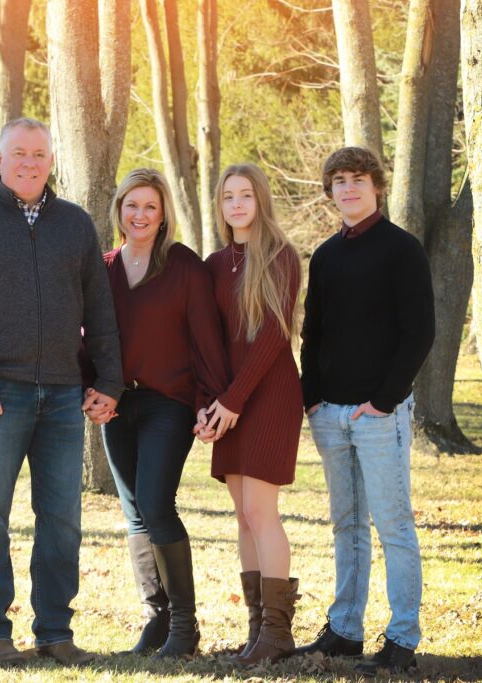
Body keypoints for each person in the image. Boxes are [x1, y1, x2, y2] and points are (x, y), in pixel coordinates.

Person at [0, 118, 124, 666]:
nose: (30, 162)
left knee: (61, 519)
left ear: (51, 161)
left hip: (62, 395)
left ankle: (55, 632)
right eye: (19, 153)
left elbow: (100, 310)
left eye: (39, 153)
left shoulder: (75, 224)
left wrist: (109, 381)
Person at [295, 146, 434, 676]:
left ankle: (401, 638)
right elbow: (313, 332)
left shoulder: (402, 249)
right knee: (346, 524)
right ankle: (345, 630)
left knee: (393, 525)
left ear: (376, 186)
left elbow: (419, 333)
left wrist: (384, 400)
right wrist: (311, 397)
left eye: (358, 178)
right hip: (330, 413)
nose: (349, 188)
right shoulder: (326, 255)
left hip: (380, 415)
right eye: (339, 181)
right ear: (330, 191)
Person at [97, 169, 230, 658]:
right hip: (118, 405)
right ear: (119, 210)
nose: (140, 214)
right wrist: (94, 388)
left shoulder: (184, 266)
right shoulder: (105, 268)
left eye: (150, 206)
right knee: (134, 512)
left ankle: (185, 628)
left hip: (168, 403)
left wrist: (209, 401)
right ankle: (157, 620)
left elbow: (205, 340)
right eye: (132, 205)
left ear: (163, 214)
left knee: (156, 505)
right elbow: (91, 337)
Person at [197, 163, 304, 665]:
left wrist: (234, 401)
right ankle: (257, 630)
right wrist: (208, 404)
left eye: (245, 195)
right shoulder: (214, 264)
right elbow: (208, 342)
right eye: (228, 197)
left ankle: (278, 635)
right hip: (228, 401)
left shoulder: (281, 256)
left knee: (261, 512)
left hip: (270, 395)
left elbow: (273, 337)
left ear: (260, 200)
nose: (236, 204)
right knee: (242, 516)